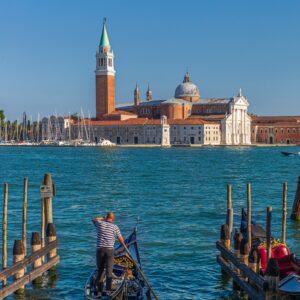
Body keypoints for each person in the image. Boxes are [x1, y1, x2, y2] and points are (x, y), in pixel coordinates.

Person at [92, 212, 125, 295]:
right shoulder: (115, 227)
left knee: (100, 271)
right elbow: (121, 240)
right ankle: (108, 291)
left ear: (106, 217)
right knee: (109, 271)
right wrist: (124, 246)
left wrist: (102, 218)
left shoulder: (99, 224)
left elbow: (93, 219)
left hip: (100, 250)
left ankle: (99, 292)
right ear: (113, 219)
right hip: (109, 251)